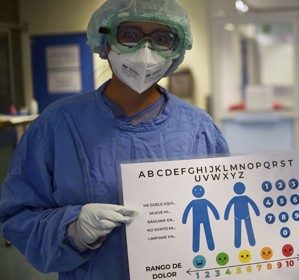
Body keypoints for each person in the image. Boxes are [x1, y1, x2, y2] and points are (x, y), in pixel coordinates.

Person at [0, 0, 228, 279]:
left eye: (161, 38)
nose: (146, 52)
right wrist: (73, 230)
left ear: (177, 50)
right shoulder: (58, 125)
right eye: (129, 35)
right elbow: (18, 215)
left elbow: (222, 218)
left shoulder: (199, 129)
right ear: (104, 40)